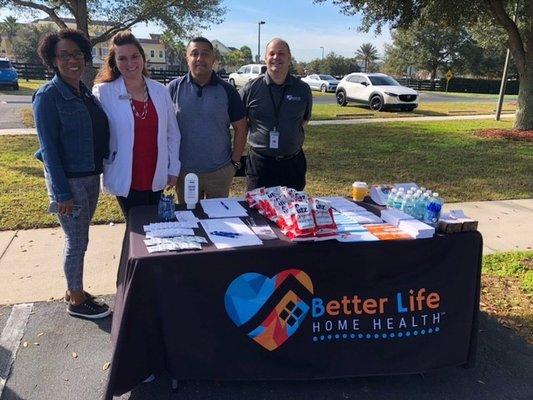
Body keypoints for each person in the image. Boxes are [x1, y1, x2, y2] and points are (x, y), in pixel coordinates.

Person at [33, 29, 111, 319]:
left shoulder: (83, 90)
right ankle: (77, 301)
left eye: (77, 53)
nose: (72, 60)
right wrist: (62, 193)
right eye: (64, 55)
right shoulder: (48, 96)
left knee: (80, 239)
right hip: (70, 182)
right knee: (76, 242)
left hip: (90, 176)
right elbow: (49, 150)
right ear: (53, 60)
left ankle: (73, 288)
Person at [93, 31, 180, 218]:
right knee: (136, 227)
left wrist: (173, 168)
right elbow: (96, 135)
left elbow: (172, 134)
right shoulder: (104, 92)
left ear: (143, 58)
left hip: (156, 172)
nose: (130, 63)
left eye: (134, 56)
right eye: (122, 58)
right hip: (126, 174)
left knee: (156, 225)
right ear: (114, 62)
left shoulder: (160, 91)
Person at [167, 37, 247, 202]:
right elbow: (163, 130)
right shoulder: (173, 88)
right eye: (194, 53)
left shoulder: (228, 91)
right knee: (190, 222)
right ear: (187, 58)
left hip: (219, 172)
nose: (199, 59)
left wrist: (234, 163)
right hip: (185, 173)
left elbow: (241, 128)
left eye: (205, 54)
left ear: (213, 59)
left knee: (219, 221)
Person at [240, 38, 312, 191]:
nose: (276, 57)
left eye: (281, 53)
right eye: (271, 53)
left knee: (293, 211)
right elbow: (239, 122)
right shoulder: (250, 89)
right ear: (265, 58)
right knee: (257, 211)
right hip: (260, 164)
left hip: (293, 164)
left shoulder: (303, 89)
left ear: (289, 58)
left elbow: (304, 120)